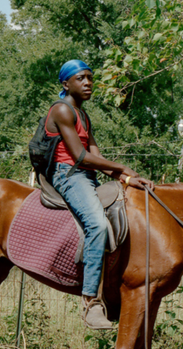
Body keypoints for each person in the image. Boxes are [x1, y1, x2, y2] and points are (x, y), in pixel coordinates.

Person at [44, 59, 154, 329]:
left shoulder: (83, 115)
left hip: (85, 174)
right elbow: (80, 157)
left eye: (90, 78)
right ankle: (91, 301)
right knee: (96, 223)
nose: (88, 83)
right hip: (67, 175)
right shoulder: (62, 110)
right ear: (65, 83)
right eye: (81, 78)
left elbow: (96, 156)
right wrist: (122, 167)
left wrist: (128, 178)